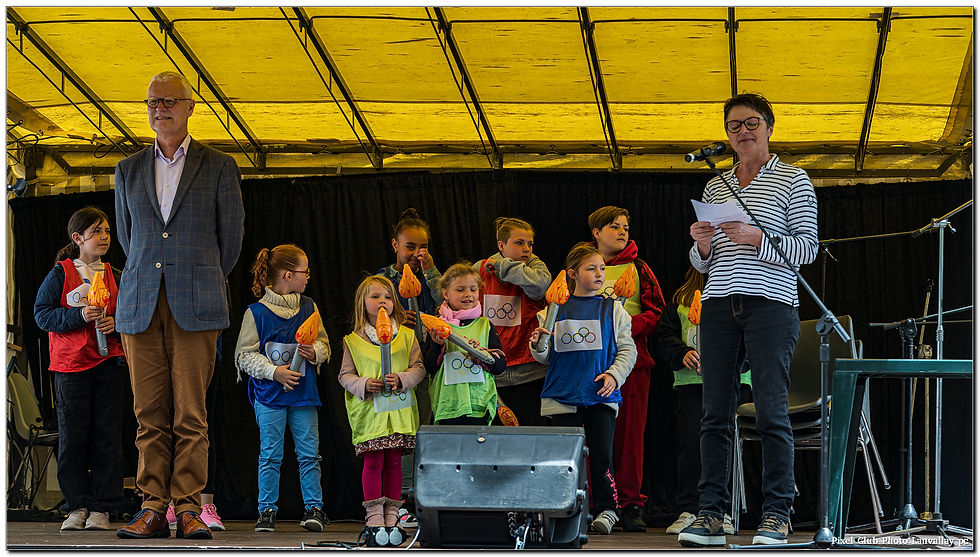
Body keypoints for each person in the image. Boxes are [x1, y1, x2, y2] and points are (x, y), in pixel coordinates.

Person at [677, 93, 818, 547]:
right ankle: (711, 514)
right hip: (719, 302)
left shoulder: (794, 179)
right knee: (714, 414)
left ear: (770, 128)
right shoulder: (716, 186)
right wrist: (701, 245)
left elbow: (808, 250)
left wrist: (758, 236)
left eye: (751, 123)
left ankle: (776, 514)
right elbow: (704, 264)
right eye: (734, 126)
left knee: (772, 411)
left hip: (771, 304)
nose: (743, 132)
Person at [114, 71, 245, 540]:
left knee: (191, 414)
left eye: (169, 101)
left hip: (197, 302)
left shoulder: (220, 166)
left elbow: (231, 240)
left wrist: (198, 275)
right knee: (148, 414)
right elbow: (128, 239)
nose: (160, 109)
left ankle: (188, 507)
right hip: (140, 305)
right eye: (152, 102)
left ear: (191, 107)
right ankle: (152, 506)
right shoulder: (127, 169)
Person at [530, 243, 637, 535]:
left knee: (602, 455)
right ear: (573, 274)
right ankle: (565, 510)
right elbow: (543, 356)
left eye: (602, 268)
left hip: (600, 396)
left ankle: (608, 509)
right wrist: (537, 343)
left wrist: (614, 375)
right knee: (564, 459)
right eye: (591, 268)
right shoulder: (551, 311)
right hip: (562, 396)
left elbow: (628, 350)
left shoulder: (614, 309)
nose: (600, 274)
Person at [33, 207, 126, 531]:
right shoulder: (61, 273)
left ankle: (102, 508)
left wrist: (117, 323)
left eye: (107, 231)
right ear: (78, 238)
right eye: (97, 231)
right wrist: (78, 315)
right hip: (71, 367)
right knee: (73, 437)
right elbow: (42, 314)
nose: (104, 237)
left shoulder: (116, 273)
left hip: (108, 364)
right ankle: (76, 505)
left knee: (107, 437)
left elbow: (132, 314)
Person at [234, 245, 330, 533]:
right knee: (270, 455)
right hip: (270, 398)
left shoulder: (310, 307)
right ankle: (266, 511)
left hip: (303, 396)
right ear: (289, 275)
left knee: (309, 454)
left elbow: (324, 344)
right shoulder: (256, 312)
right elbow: (245, 355)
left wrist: (316, 352)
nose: (308, 276)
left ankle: (314, 508)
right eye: (305, 271)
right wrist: (274, 372)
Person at [588, 206, 665, 532]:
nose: (622, 232)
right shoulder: (581, 266)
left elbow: (657, 313)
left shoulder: (639, 268)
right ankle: (596, 502)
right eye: (614, 226)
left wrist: (623, 326)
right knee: (594, 437)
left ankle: (631, 503)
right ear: (596, 232)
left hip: (632, 364)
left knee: (630, 438)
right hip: (590, 365)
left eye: (625, 227)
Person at [658, 266, 751, 536]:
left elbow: (753, 338)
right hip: (691, 384)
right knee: (690, 444)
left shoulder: (741, 300)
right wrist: (682, 353)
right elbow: (665, 336)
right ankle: (689, 508)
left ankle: (723, 510)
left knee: (726, 444)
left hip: (733, 383)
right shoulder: (680, 304)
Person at [338, 276, 426, 537]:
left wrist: (403, 378)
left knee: (395, 463)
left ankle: (393, 513)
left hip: (398, 413)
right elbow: (345, 375)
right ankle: (374, 513)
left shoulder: (407, 336)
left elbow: (419, 368)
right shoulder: (353, 341)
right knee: (374, 462)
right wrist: (364, 383)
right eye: (375, 296)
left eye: (387, 297)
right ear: (362, 303)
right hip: (371, 415)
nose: (382, 301)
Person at [473, 217, 551, 427]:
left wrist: (501, 265)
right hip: (491, 371)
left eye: (530, 243)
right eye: (519, 243)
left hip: (530, 373)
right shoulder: (480, 268)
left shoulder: (535, 266)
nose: (526, 249)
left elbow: (540, 287)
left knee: (532, 436)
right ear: (501, 245)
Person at [423, 263, 506, 425]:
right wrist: (437, 345)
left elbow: (500, 366)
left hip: (479, 405)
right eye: (460, 290)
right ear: (445, 294)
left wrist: (483, 356)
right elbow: (429, 367)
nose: (468, 294)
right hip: (448, 406)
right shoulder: (436, 326)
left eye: (473, 289)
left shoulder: (485, 325)